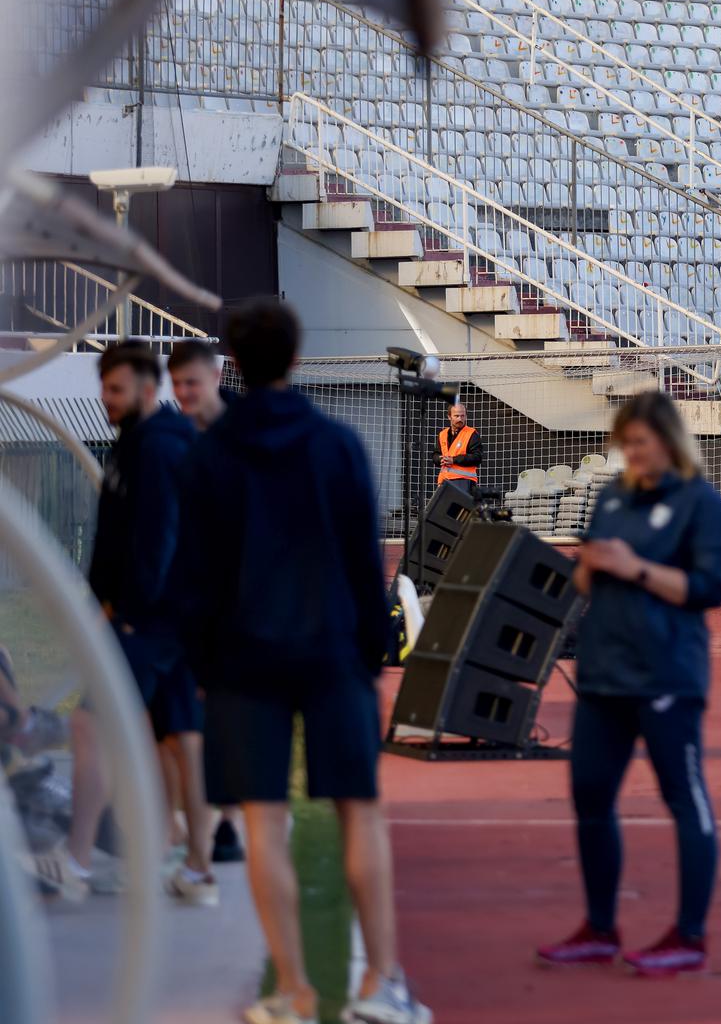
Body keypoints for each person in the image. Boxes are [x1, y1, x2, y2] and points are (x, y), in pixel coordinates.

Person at [171, 300, 430, 1024]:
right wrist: (370, 659)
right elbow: (364, 561)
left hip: (241, 661)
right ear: (293, 356)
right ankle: (381, 984)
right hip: (328, 654)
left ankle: (292, 989)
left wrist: (204, 660)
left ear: (233, 364)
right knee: (359, 813)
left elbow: (192, 575)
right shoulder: (336, 444)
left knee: (263, 821)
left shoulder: (208, 457)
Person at [535, 391, 721, 976]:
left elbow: (710, 589)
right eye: (625, 444)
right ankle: (600, 927)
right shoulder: (612, 497)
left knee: (683, 796)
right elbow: (585, 581)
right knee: (590, 796)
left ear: (668, 442)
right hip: (604, 673)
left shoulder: (700, 503)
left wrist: (636, 568)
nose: (631, 454)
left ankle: (689, 935)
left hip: (667, 674)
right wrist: (589, 568)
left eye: (641, 443)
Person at [88, 342, 217, 906]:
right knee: (175, 737)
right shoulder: (140, 443)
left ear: (146, 389)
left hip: (154, 619)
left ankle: (83, 855)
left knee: (96, 729)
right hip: (168, 617)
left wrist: (129, 611)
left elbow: (157, 537)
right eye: (104, 388)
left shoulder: (160, 447)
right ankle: (188, 858)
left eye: (115, 389)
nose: (105, 400)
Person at [165, 339, 246, 865]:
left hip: (237, 600)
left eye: (192, 382)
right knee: (184, 716)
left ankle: (227, 824)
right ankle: (191, 822)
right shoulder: (176, 438)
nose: (185, 393)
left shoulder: (243, 433)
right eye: (177, 385)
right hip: (189, 598)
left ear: (216, 377)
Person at [436, 402, 480, 488]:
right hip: (444, 481)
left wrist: (454, 460)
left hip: (464, 481)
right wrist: (439, 459)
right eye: (456, 416)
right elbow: (435, 454)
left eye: (462, 416)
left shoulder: (471, 433)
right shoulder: (442, 434)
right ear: (449, 417)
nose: (460, 419)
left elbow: (477, 457)